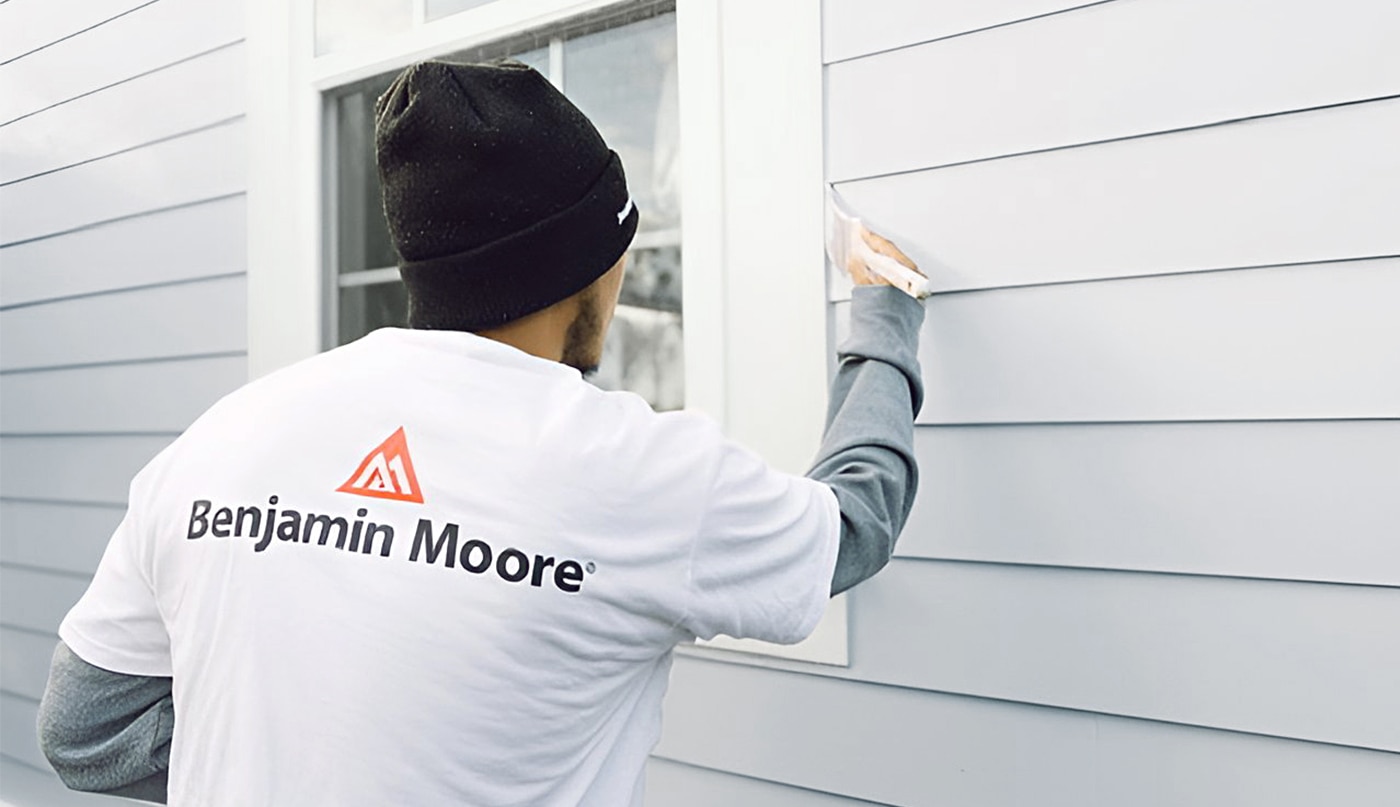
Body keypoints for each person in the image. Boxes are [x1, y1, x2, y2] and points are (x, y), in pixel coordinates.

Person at [37, 59, 925, 806]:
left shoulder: (226, 435)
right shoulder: (634, 471)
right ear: (592, 263)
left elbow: (83, 728)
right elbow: (853, 523)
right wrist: (883, 314)